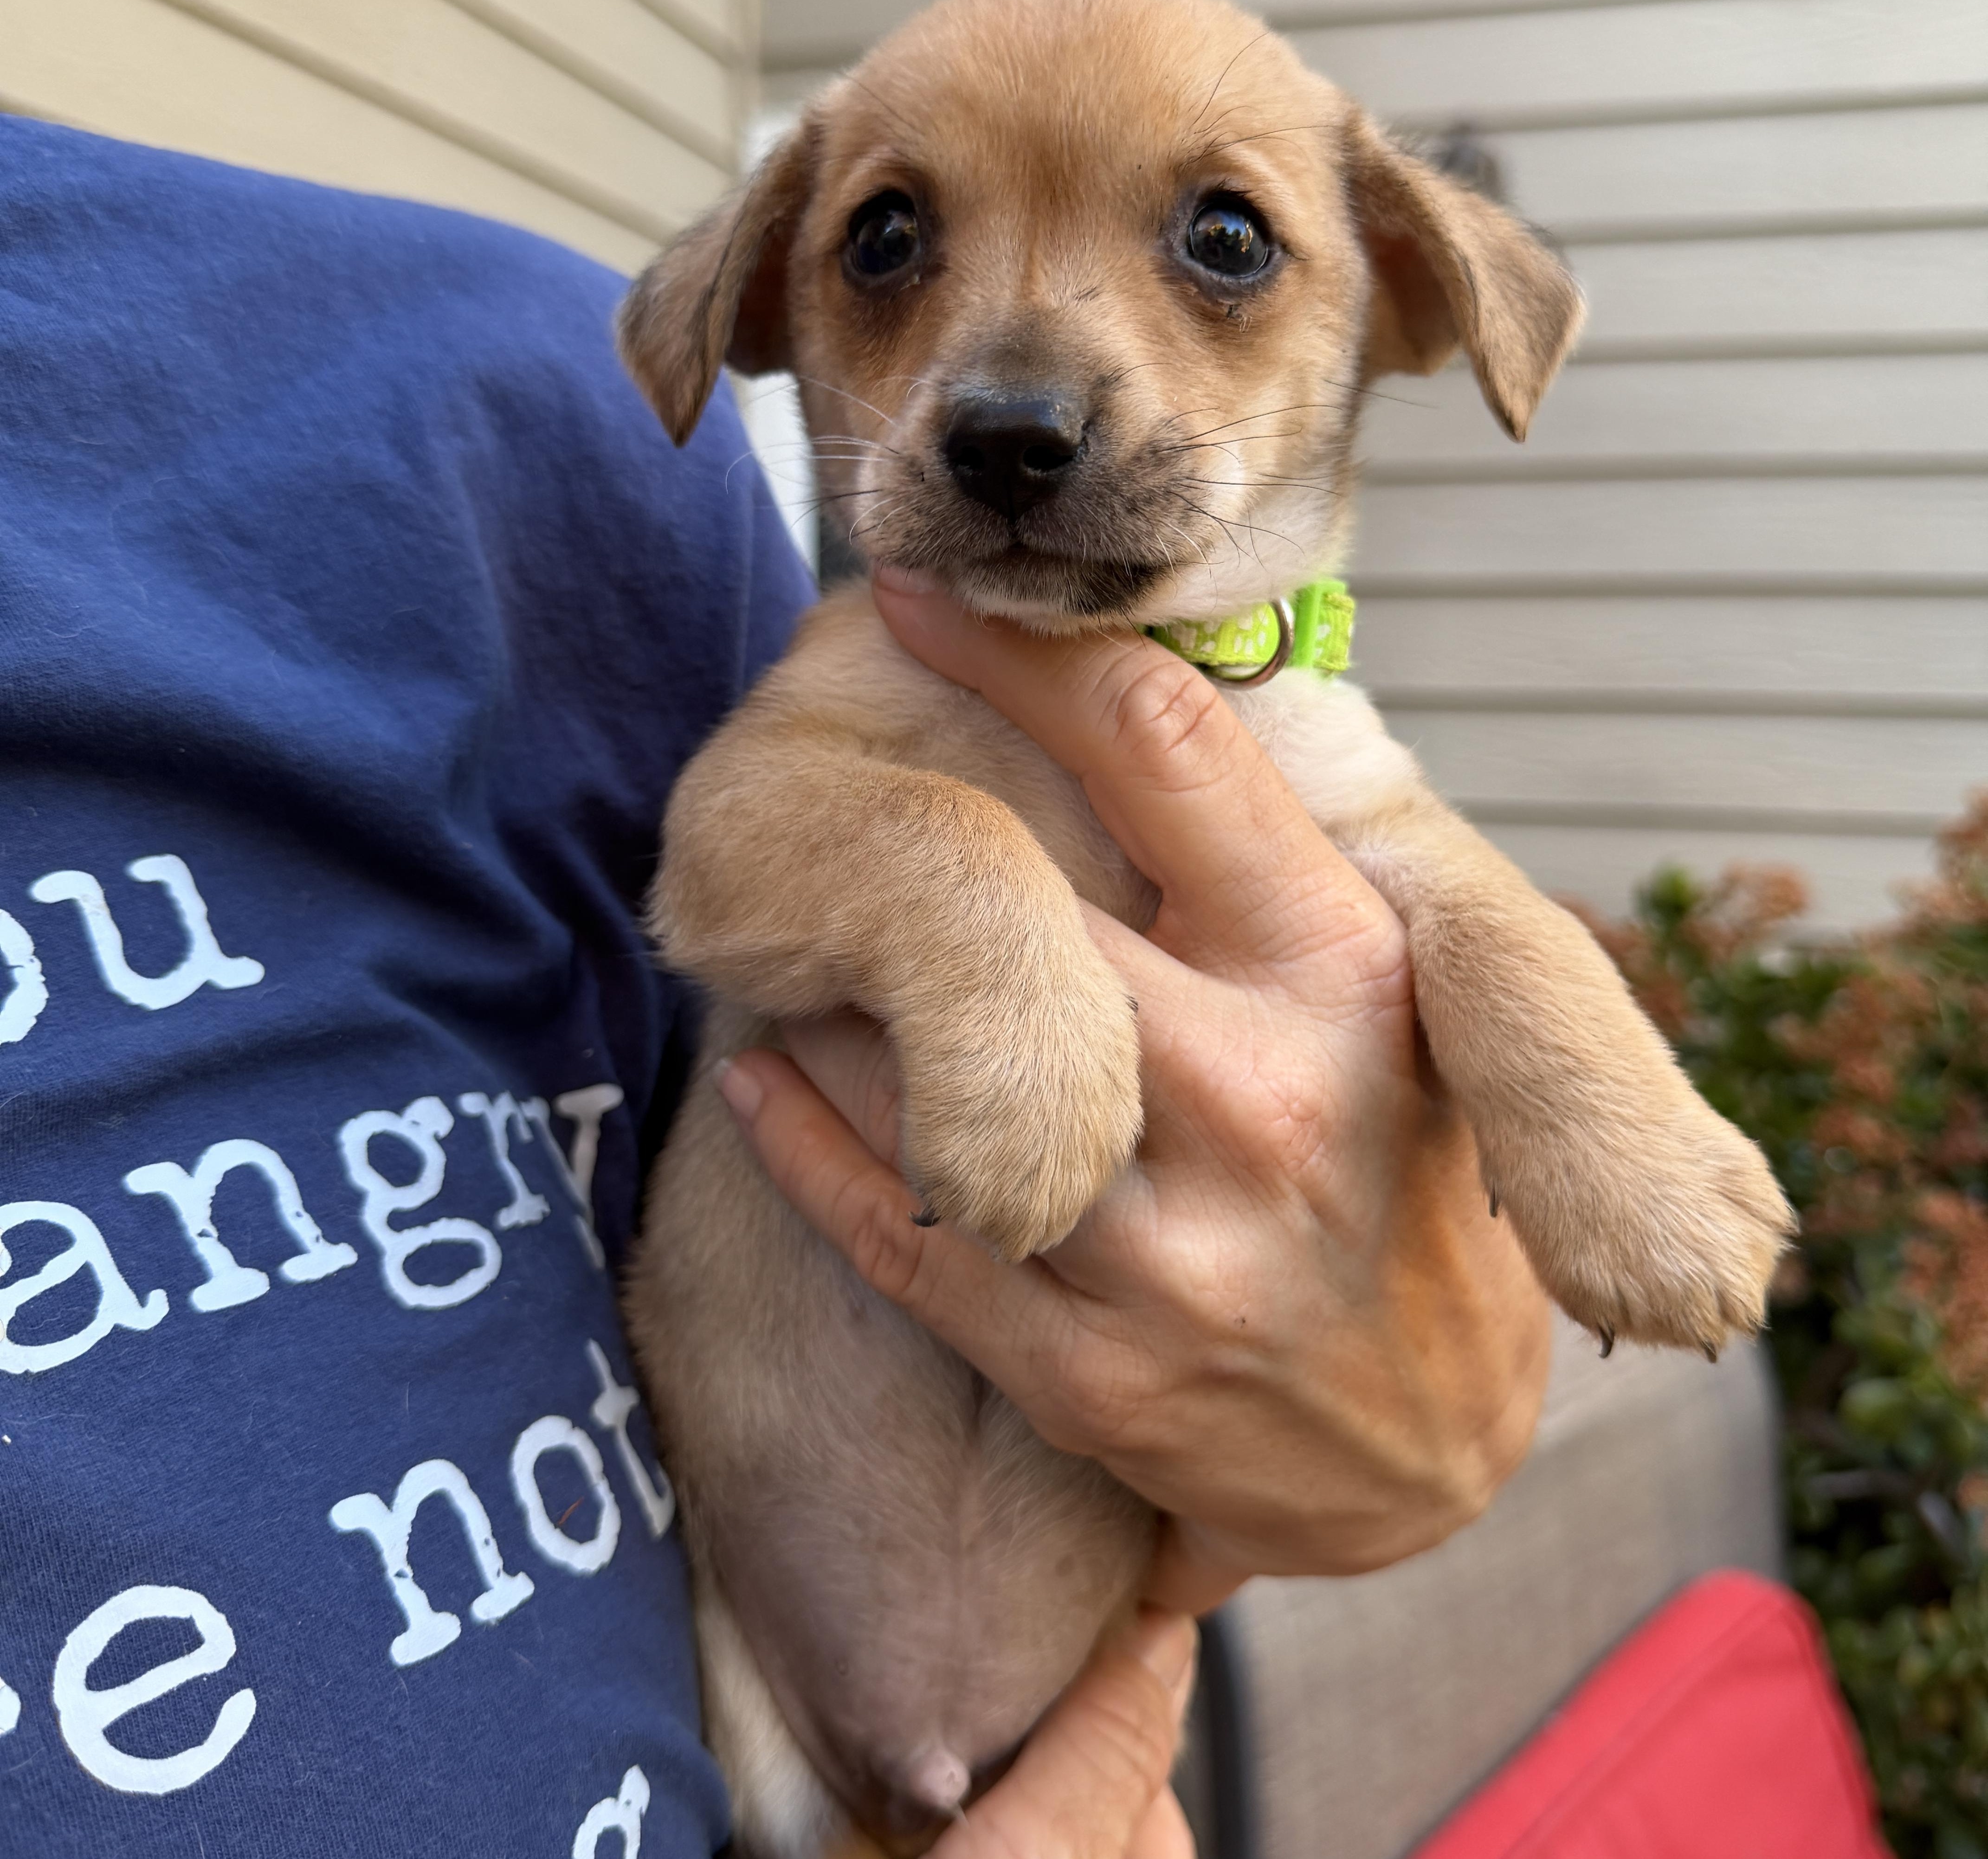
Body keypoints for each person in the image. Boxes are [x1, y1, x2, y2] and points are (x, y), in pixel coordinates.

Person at [0, 116, 1548, 1859]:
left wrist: (1435, 1411)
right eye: (889, 245)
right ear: (773, 308)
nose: (1024, 381)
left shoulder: (513, 401)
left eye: (1218, 240)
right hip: (768, 1724)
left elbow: (1409, 967)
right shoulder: (747, 562)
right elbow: (742, 856)